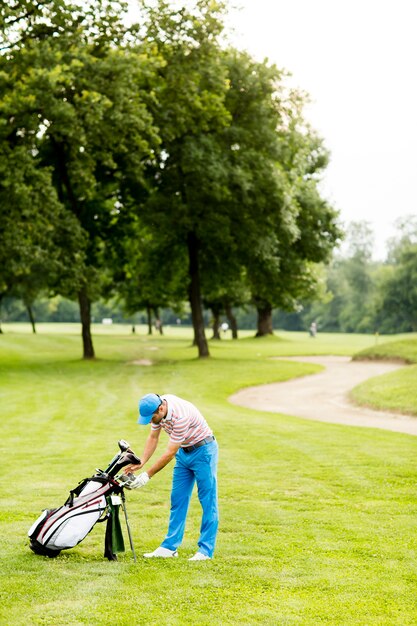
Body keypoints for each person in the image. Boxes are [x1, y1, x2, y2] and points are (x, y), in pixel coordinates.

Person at [123, 393, 219, 561]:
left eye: (152, 417)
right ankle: (169, 547)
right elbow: (153, 437)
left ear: (161, 408)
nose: (151, 421)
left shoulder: (180, 416)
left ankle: (205, 550)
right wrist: (142, 462)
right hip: (184, 452)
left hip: (204, 452)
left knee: (207, 501)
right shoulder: (158, 410)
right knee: (178, 499)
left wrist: (147, 476)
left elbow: (169, 453)